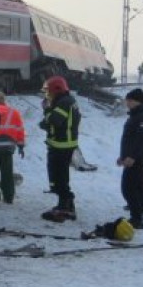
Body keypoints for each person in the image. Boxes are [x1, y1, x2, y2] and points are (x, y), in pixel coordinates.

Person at [39, 76, 81, 222]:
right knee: (59, 177)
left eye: (49, 91)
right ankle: (65, 204)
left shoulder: (64, 102)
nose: (47, 94)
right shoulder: (66, 101)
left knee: (60, 177)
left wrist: (46, 111)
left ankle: (66, 205)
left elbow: (54, 121)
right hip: (62, 144)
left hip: (61, 145)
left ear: (56, 89)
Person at [116, 88, 143, 229]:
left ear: (135, 101)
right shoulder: (137, 115)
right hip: (133, 159)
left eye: (129, 100)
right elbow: (131, 139)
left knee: (130, 188)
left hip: (140, 160)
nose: (127, 103)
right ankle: (137, 217)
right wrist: (123, 157)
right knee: (135, 188)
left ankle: (137, 218)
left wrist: (132, 157)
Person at [0, 91, 25, 207]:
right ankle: (8, 197)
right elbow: (20, 130)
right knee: (7, 173)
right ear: (4, 101)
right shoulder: (14, 113)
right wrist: (21, 146)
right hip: (7, 148)